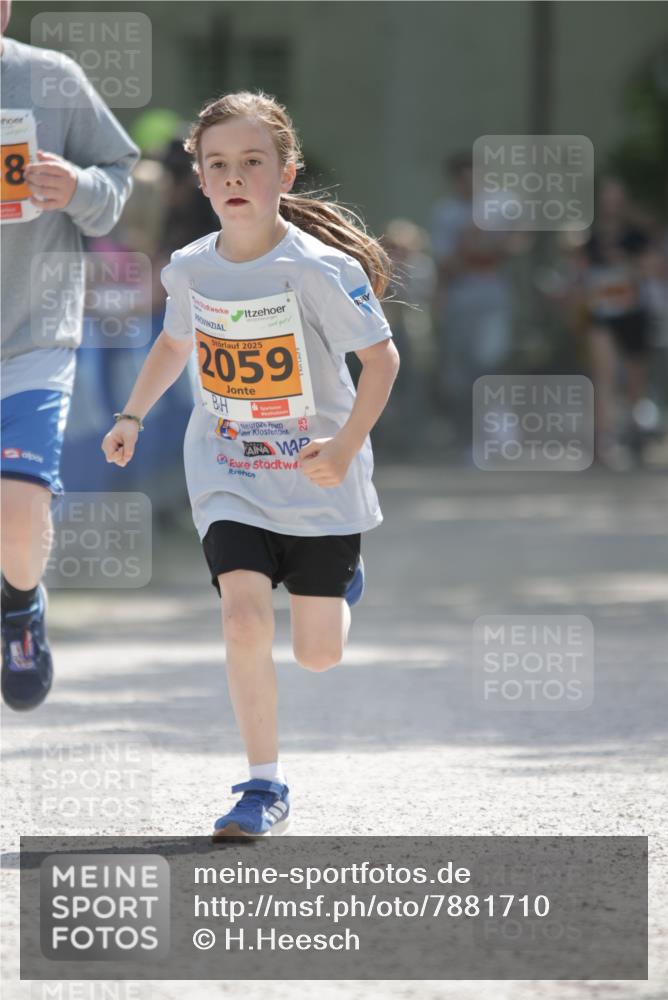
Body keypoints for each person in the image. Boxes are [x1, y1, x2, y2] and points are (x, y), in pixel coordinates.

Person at [101, 90, 400, 837]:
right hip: (228, 468)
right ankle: (262, 786)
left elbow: (382, 361)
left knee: (318, 654)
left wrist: (344, 446)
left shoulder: (321, 269)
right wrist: (131, 416)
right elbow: (175, 343)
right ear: (201, 178)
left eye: (253, 162)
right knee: (241, 617)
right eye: (218, 164)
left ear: (286, 173)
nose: (234, 176)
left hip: (317, 475)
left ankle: (341, 579)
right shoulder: (189, 268)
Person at [0, 0, 139, 711]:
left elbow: (119, 179)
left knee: (19, 511)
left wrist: (79, 187)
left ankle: (20, 609)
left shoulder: (51, 78)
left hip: (33, 335)